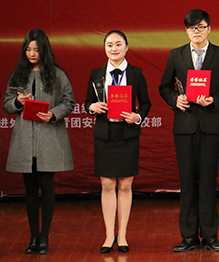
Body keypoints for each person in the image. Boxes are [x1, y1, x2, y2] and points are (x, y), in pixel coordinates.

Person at [159, 9, 219, 252]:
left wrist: (214, 100)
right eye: (192, 28)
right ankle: (188, 237)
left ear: (209, 29)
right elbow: (164, 87)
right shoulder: (176, 55)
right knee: (187, 181)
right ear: (186, 31)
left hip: (210, 125)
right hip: (184, 126)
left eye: (201, 27)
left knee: (208, 181)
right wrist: (176, 99)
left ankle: (210, 236)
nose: (197, 31)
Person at [3, 29, 75, 255]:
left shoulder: (57, 74)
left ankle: (44, 237)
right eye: (28, 49)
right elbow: (7, 105)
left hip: (49, 138)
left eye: (36, 49)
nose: (32, 53)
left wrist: (53, 114)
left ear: (44, 50)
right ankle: (33, 236)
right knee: (30, 189)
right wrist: (18, 101)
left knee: (47, 187)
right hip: (25, 138)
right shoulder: (18, 75)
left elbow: (69, 102)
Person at [84, 30, 152, 253]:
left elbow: (146, 103)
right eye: (110, 45)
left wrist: (137, 117)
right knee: (107, 185)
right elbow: (87, 103)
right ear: (105, 48)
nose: (114, 49)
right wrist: (92, 107)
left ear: (127, 47)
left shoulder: (136, 73)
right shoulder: (96, 74)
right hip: (104, 134)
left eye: (118, 44)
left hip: (128, 134)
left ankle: (122, 235)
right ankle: (108, 235)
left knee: (125, 185)